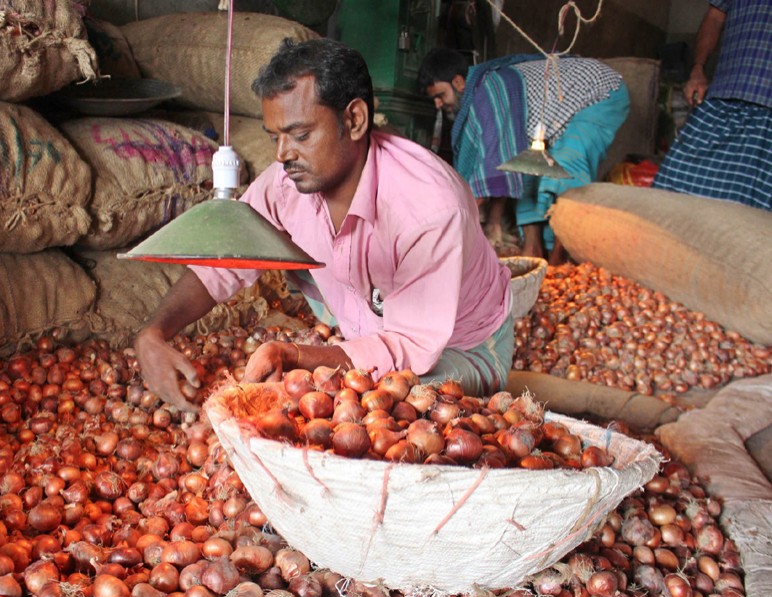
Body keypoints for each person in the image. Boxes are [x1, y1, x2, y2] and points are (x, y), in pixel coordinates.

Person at [134, 38, 513, 413]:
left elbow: (409, 348)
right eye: (274, 137)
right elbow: (225, 261)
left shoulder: (427, 207)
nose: (282, 155)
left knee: (375, 405)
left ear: (354, 120)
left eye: (300, 135)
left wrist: (299, 355)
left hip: (459, 345)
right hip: (367, 328)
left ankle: (514, 380)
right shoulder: (286, 183)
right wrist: (154, 333)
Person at [417, 49, 630, 263]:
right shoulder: (480, 95)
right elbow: (505, 164)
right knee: (526, 171)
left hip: (598, 93)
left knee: (565, 166)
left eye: (440, 96)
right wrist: (490, 221)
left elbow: (491, 166)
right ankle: (533, 252)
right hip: (557, 115)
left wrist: (448, 222)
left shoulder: (488, 92)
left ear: (458, 82)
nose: (437, 105)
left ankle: (558, 264)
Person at [651, 0, 771, 211]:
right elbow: (714, 18)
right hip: (723, 99)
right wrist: (698, 69)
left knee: (756, 218)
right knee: (674, 190)